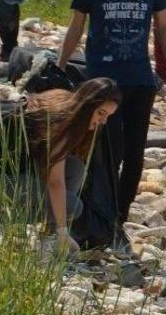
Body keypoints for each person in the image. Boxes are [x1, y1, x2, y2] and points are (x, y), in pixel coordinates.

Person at [58, 0, 166, 242]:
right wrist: (59, 65)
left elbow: (163, 26)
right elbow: (76, 27)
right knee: (109, 151)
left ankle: (119, 218)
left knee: (135, 153)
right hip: (103, 80)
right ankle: (102, 211)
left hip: (139, 78)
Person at [17, 78, 122, 254]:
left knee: (75, 168)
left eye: (107, 116)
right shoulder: (60, 121)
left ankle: (51, 238)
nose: (103, 121)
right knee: (72, 206)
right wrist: (63, 230)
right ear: (88, 105)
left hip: (20, 168)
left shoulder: (66, 100)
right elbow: (55, 182)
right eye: (100, 113)